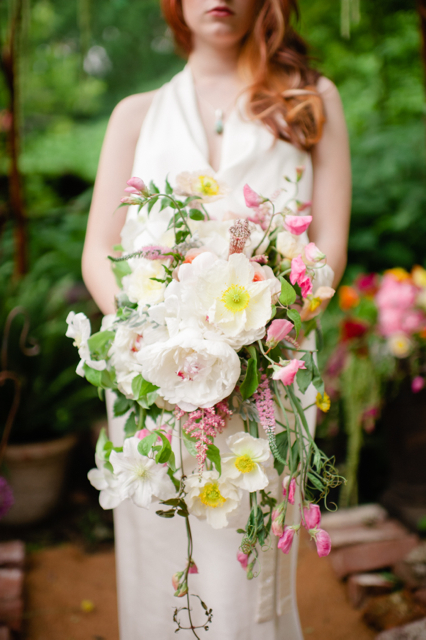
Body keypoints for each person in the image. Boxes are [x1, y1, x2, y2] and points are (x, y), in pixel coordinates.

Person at [82, 1, 351, 638]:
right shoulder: (135, 115)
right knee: (159, 566)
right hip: (157, 382)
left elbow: (330, 250)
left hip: (267, 384)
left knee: (248, 580)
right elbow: (99, 250)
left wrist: (259, 334)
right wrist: (148, 340)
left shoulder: (310, 100)